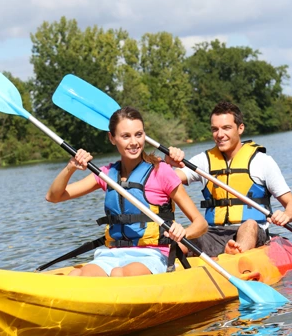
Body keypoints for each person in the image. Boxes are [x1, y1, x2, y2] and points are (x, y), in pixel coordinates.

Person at [46, 106, 208, 277]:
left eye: (139, 134)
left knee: (118, 274)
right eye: (125, 136)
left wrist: (184, 232)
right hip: (112, 254)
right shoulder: (107, 174)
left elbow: (201, 224)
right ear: (112, 138)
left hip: (152, 254)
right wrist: (71, 167)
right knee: (77, 276)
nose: (134, 142)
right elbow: (54, 196)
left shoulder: (161, 172)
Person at [165, 101, 292, 257]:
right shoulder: (203, 161)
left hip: (253, 232)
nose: (220, 134)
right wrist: (167, 162)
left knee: (249, 224)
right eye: (215, 129)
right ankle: (169, 264)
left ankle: (235, 254)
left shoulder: (262, 161)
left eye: (226, 128)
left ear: (240, 128)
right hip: (213, 234)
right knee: (179, 242)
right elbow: (168, 180)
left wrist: (286, 215)